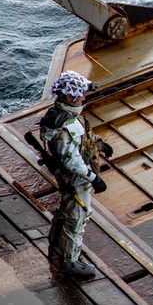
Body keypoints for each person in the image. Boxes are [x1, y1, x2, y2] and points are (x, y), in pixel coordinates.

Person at [39, 70, 112, 280]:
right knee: (77, 218)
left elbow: (80, 139)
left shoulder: (67, 114)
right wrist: (93, 178)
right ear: (70, 97)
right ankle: (69, 262)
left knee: (65, 214)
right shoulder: (65, 125)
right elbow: (72, 160)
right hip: (75, 180)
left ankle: (56, 250)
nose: (83, 98)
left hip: (73, 177)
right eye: (80, 94)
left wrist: (97, 143)